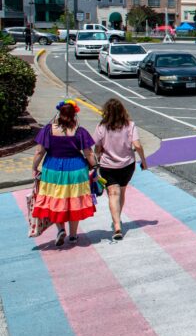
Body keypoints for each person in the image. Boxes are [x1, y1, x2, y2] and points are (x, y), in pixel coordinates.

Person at [30, 99, 97, 247]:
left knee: (56, 199)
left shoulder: (48, 130)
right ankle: (73, 236)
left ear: (59, 113)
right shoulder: (80, 131)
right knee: (74, 200)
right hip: (76, 168)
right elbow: (89, 153)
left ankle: (60, 229)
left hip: (53, 167)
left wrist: (34, 168)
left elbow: (39, 151)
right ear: (74, 115)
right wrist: (96, 167)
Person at [94, 99, 147, 240]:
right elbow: (138, 145)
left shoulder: (101, 127)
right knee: (121, 191)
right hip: (127, 165)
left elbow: (97, 147)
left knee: (113, 194)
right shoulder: (130, 125)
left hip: (108, 166)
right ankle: (117, 218)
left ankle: (117, 225)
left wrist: (97, 159)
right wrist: (144, 161)